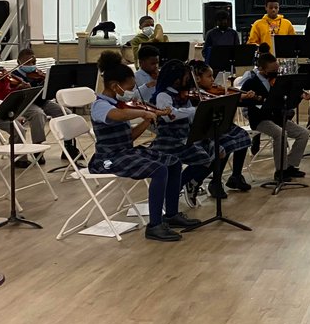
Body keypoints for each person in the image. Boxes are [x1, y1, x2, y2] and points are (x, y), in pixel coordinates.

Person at [89, 64, 195, 242]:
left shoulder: (119, 104)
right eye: (130, 88)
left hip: (126, 151)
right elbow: (118, 115)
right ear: (115, 86)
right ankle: (154, 225)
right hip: (108, 158)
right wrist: (144, 111)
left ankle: (171, 214)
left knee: (173, 162)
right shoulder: (100, 106)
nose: (132, 92)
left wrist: (149, 119)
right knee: (159, 169)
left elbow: (129, 137)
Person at [237, 52, 310, 183]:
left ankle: (290, 165)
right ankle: (280, 170)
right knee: (280, 133)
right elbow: (243, 102)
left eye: (277, 71)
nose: (275, 74)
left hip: (277, 117)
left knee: (303, 133)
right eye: (272, 71)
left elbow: (286, 99)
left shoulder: (279, 82)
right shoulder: (251, 83)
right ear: (261, 69)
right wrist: (254, 99)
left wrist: (299, 96)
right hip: (260, 120)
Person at [150, 60, 215, 205]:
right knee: (203, 158)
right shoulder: (163, 96)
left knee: (210, 156)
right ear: (176, 79)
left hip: (185, 137)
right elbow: (169, 116)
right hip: (169, 142)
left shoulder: (183, 95)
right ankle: (176, 188)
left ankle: (182, 184)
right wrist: (195, 110)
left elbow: (190, 117)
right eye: (186, 76)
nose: (188, 80)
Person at [190, 60, 255, 193]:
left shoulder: (212, 91)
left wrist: (240, 96)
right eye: (209, 76)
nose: (213, 80)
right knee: (225, 144)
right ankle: (216, 181)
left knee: (243, 136)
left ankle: (236, 176)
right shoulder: (195, 94)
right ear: (197, 78)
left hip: (221, 125)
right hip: (208, 129)